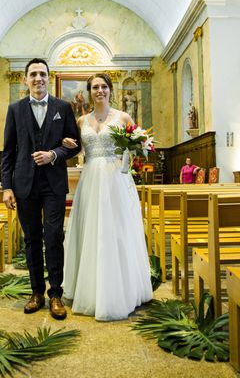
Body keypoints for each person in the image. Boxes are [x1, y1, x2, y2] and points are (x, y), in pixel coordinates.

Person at [61, 73, 153, 321]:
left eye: (103, 87)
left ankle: (121, 289)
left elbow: (136, 147)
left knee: (117, 230)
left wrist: (137, 148)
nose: (99, 90)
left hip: (116, 179)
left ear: (111, 90)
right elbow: (80, 149)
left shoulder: (123, 117)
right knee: (91, 229)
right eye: (95, 87)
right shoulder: (81, 120)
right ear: (89, 92)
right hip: (91, 177)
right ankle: (89, 288)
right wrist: (68, 144)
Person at [1, 58, 80, 320]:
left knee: (54, 236)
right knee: (32, 239)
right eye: (33, 74)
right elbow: (8, 152)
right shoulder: (15, 109)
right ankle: (36, 292)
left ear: (48, 77)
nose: (38, 78)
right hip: (24, 184)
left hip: (54, 184)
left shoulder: (63, 107)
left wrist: (54, 154)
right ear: (25, 79)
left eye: (43, 74)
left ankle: (55, 293)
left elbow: (75, 144)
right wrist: (6, 188)